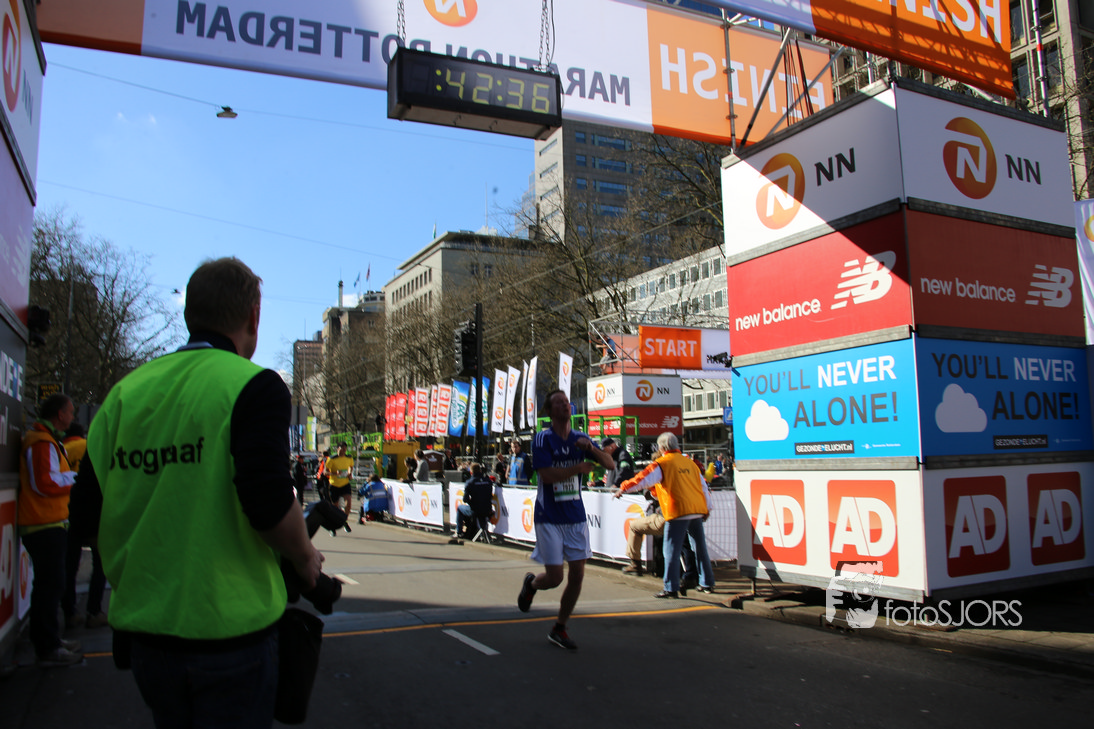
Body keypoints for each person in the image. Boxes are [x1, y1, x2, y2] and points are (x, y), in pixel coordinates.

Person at [73, 257, 322, 728]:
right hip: (232, 633)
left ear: (190, 314)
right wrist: (305, 557)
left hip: (147, 638)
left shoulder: (124, 395)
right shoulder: (253, 385)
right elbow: (269, 503)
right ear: (254, 317)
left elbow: (86, 517)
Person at [517, 389, 614, 650]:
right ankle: (532, 584)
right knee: (555, 578)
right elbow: (546, 476)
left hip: (575, 516)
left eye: (566, 402)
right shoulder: (542, 439)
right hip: (548, 516)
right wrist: (577, 468)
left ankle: (559, 627)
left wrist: (591, 449)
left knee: (578, 574)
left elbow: (610, 465)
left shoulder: (581, 438)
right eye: (558, 403)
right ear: (549, 411)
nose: (565, 405)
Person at [18, 392, 81, 667]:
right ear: (60, 414)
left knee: (52, 584)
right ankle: (47, 646)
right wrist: (73, 479)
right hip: (42, 523)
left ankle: (50, 639)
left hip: (48, 522)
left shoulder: (47, 440)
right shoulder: (42, 442)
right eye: (70, 412)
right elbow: (44, 483)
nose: (72, 417)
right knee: (49, 585)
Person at [616, 432, 715, 598]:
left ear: (661, 447)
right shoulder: (689, 463)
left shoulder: (662, 464)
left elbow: (642, 479)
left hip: (677, 511)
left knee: (670, 550)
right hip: (696, 509)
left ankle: (671, 587)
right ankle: (707, 582)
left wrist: (623, 488)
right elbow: (703, 487)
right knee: (700, 548)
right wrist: (707, 508)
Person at [62, 422, 109, 631]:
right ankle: (94, 611)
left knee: (69, 566)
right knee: (100, 566)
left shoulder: (64, 449)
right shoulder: (95, 449)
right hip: (95, 517)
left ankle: (70, 612)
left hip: (69, 512)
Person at [452, 463, 494, 543]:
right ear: (480, 470)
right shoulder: (488, 481)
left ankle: (459, 532)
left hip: (475, 509)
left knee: (460, 508)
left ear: (471, 472)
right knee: (481, 512)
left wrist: (472, 503)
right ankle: (483, 533)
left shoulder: (470, 482)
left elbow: (465, 499)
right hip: (487, 508)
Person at [325, 442, 354, 532]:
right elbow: (325, 472)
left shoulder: (349, 458)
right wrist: (335, 473)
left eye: (345, 449)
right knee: (335, 507)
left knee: (348, 504)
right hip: (334, 485)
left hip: (345, 484)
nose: (344, 451)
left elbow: (351, 466)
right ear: (338, 448)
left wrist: (350, 474)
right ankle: (333, 526)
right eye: (342, 449)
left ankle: (344, 521)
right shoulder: (331, 459)